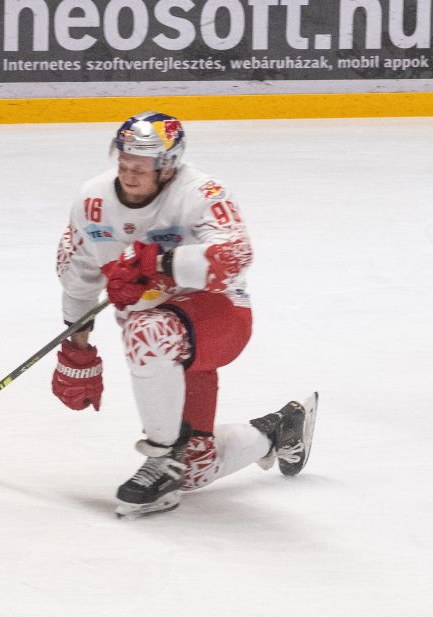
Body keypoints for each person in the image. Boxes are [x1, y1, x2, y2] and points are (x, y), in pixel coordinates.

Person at [50, 110, 318, 518]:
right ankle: (277, 430)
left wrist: (159, 263)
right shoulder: (93, 201)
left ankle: (159, 459)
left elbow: (237, 254)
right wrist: (78, 350)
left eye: (141, 166)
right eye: (124, 162)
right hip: (162, 346)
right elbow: (78, 275)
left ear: (168, 166)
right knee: (194, 469)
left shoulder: (202, 193)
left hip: (219, 318)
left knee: (147, 329)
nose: (129, 173)